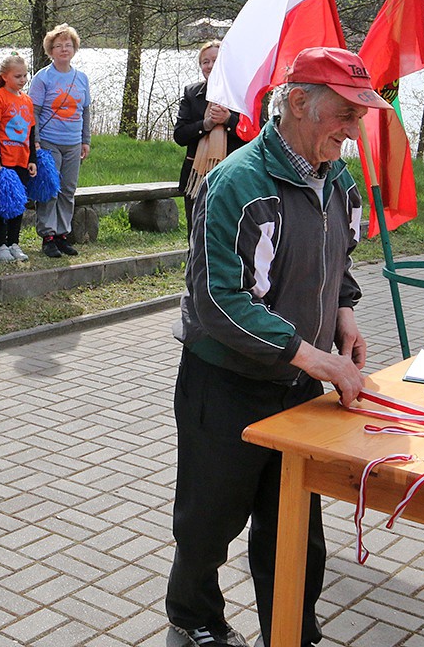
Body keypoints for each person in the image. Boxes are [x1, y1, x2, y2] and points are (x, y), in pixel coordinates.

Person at [166, 47, 391, 647]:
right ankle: (193, 621)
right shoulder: (236, 183)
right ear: (298, 103)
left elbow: (337, 260)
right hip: (226, 383)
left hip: (298, 383)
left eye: (360, 115)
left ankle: (292, 630)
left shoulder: (338, 180)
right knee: (208, 523)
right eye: (345, 113)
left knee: (297, 527)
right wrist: (316, 357)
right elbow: (218, 301)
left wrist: (343, 317)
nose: (355, 129)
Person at [29, 23, 90, 258]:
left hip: (73, 143)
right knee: (50, 189)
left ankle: (63, 234)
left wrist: (86, 140)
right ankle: (48, 235)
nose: (64, 49)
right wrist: (35, 141)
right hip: (48, 142)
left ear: (74, 48)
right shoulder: (42, 78)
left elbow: (85, 111)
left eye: (68, 45)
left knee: (68, 190)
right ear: (50, 50)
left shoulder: (82, 78)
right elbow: (33, 112)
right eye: (58, 46)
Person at [173, 40, 242, 234]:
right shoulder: (191, 93)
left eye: (215, 60)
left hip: (232, 176)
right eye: (205, 62)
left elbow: (256, 134)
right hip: (197, 177)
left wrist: (228, 120)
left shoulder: (242, 93)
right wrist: (206, 125)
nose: (210, 66)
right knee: (195, 234)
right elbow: (180, 135)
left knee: (229, 234)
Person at [0, 54, 37, 263]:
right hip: (5, 161)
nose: (23, 80)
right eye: (18, 76)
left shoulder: (27, 101)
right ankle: (0, 244)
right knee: (3, 204)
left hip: (22, 160)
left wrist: (32, 160)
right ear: (4, 76)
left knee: (18, 204)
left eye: (25, 75)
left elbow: (31, 132)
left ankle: (14, 242)